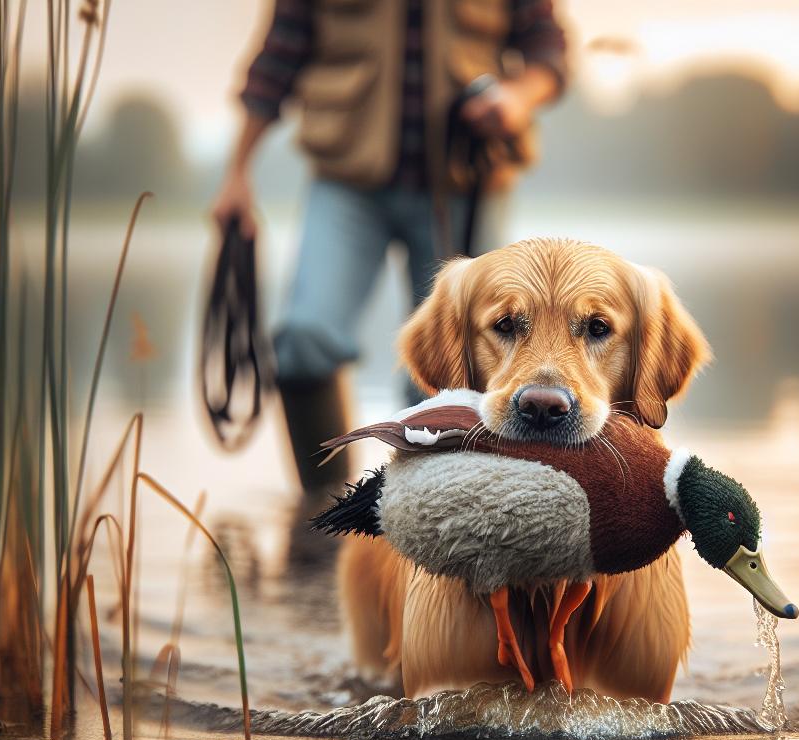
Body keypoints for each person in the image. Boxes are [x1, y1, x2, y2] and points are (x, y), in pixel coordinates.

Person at [212, 0, 568, 494]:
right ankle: (327, 521)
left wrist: (517, 97)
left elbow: (548, 49)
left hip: (468, 179)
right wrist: (237, 173)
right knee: (302, 340)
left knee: (458, 368)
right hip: (346, 180)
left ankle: (431, 523)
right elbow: (277, 60)